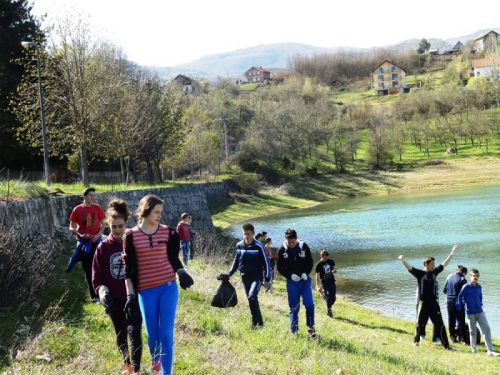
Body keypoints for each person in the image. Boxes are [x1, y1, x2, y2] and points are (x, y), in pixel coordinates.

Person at [123, 194, 194, 375]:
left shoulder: (169, 233)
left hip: (168, 287)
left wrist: (182, 272)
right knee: (152, 336)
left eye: (161, 212)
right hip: (146, 291)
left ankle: (166, 372)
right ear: (145, 211)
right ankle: (156, 363)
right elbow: (128, 269)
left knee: (166, 334)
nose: (159, 215)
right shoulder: (130, 236)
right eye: (156, 212)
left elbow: (173, 258)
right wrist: (130, 296)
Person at [92, 199, 143, 375]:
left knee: (134, 332)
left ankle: (136, 369)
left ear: (126, 224)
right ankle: (126, 363)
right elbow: (97, 274)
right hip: (114, 299)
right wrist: (102, 292)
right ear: (108, 225)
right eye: (113, 227)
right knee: (120, 333)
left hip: (134, 297)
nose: (118, 231)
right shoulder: (102, 248)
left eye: (121, 226)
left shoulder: (134, 242)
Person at [398, 245, 457, 350]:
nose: (434, 266)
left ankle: (447, 346)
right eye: (432, 264)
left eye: (434, 264)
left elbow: (444, 264)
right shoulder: (420, 274)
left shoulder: (434, 273)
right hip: (423, 303)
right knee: (420, 323)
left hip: (434, 304)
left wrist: (451, 253)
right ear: (426, 264)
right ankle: (416, 341)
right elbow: (410, 268)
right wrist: (403, 260)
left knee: (440, 325)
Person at [220, 223, 271, 328]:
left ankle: (255, 321)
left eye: (248, 234)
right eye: (244, 234)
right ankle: (259, 322)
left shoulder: (259, 246)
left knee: (252, 296)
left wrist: (267, 279)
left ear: (253, 233)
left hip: (257, 277)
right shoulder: (239, 245)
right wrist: (229, 273)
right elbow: (236, 261)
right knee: (250, 299)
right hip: (245, 277)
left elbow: (266, 263)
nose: (246, 236)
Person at [277, 229, 319, 338]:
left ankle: (311, 328)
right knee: (294, 307)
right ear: (286, 240)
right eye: (289, 242)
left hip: (304, 281)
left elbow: (310, 262)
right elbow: (280, 268)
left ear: (296, 239)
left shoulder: (303, 246)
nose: (291, 244)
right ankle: (294, 330)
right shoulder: (282, 249)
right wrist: (289, 275)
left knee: (309, 304)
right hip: (292, 282)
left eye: (293, 242)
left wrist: (306, 273)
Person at [68, 187, 106, 302]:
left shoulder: (97, 208)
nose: (93, 197)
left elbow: (104, 223)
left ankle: (103, 292)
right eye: (90, 195)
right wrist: (81, 235)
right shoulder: (77, 210)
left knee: (101, 265)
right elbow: (71, 227)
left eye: (94, 195)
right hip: (84, 241)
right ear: (84, 196)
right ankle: (94, 296)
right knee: (88, 268)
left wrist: (98, 235)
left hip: (96, 240)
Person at [456, 269, 500, 355]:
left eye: (477, 276)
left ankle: (490, 350)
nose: (475, 277)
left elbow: (480, 296)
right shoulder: (466, 287)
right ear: (470, 276)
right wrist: (461, 306)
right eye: (474, 276)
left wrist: (480, 304)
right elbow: (460, 297)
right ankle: (473, 349)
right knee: (472, 332)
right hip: (470, 313)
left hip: (480, 311)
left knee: (487, 329)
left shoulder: (479, 286)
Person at [443, 265, 468, 343]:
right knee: (461, 321)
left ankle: (452, 337)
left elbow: (444, 290)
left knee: (451, 320)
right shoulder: (462, 279)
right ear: (464, 273)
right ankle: (463, 339)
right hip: (458, 303)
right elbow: (466, 292)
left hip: (449, 301)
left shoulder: (448, 277)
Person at [315, 250, 336, 318]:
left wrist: (334, 271)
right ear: (321, 256)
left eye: (326, 256)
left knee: (333, 298)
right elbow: (317, 275)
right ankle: (329, 312)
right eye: (324, 256)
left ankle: (324, 297)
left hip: (332, 281)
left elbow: (333, 269)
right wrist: (318, 286)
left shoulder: (331, 261)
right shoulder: (318, 264)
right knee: (328, 297)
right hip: (324, 283)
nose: (325, 257)